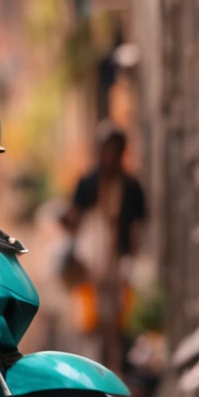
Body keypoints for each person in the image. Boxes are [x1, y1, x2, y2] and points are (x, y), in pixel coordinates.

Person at [60, 121, 146, 373]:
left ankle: (117, 375)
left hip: (119, 266)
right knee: (90, 326)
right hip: (89, 267)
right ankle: (92, 377)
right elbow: (74, 221)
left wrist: (132, 263)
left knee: (119, 327)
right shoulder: (87, 183)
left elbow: (137, 229)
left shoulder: (131, 187)